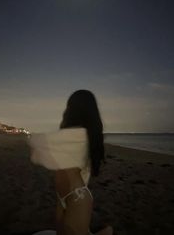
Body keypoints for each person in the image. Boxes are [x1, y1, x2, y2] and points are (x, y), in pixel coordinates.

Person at [30, 90, 113, 235]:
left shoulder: (76, 136)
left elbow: (37, 144)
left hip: (74, 195)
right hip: (71, 194)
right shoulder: (80, 136)